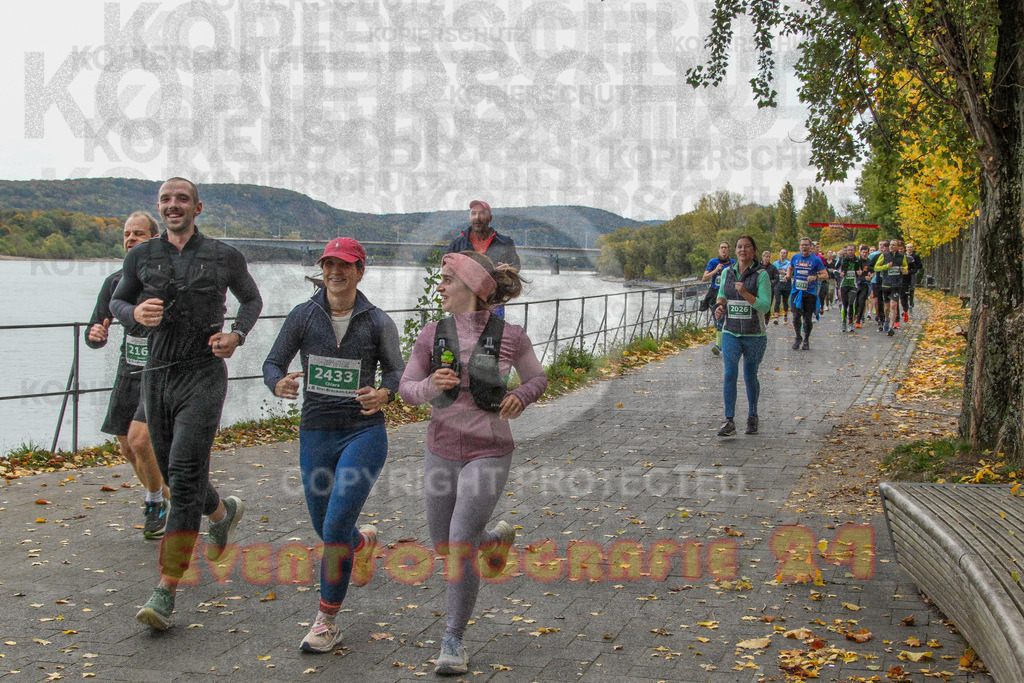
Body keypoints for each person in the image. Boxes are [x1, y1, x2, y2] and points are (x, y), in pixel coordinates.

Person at [111, 177, 263, 631]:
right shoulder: (141, 256)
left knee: (181, 474)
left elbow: (252, 299)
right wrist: (134, 314)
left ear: (197, 207)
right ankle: (221, 512)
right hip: (156, 377)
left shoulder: (223, 255)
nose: (173, 205)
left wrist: (237, 335)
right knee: (179, 473)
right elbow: (118, 300)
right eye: (166, 199)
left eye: (182, 199)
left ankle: (166, 589)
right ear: (159, 208)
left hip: (202, 375)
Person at [399, 251, 548, 675]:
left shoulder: (511, 336)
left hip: (490, 449)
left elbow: (538, 378)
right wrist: (429, 386)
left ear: (471, 287)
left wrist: (520, 396)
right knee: (444, 544)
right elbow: (406, 387)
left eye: (447, 279)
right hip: (441, 447)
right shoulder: (432, 334)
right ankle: (493, 541)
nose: (440, 286)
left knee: (460, 542)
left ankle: (453, 640)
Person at [262, 237, 405, 653]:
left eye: (344, 265)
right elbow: (273, 362)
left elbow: (397, 372)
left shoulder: (377, 321)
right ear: (321, 269)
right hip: (317, 431)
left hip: (363, 432)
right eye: (329, 264)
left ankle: (326, 621)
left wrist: (385, 393)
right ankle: (361, 544)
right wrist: (277, 382)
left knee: (336, 525)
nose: (335, 272)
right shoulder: (303, 315)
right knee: (324, 525)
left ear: (360, 271)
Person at [85, 211, 169, 538]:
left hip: (160, 373)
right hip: (128, 370)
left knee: (141, 440)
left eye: (138, 234)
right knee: (128, 447)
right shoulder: (114, 282)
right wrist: (95, 336)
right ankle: (182, 501)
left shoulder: (167, 280)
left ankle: (155, 505)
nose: (130, 239)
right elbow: (96, 328)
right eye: (126, 234)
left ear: (154, 240)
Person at [714, 236, 771, 436]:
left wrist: (746, 293)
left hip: (754, 334)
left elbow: (765, 306)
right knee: (730, 373)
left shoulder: (761, 275)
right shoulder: (727, 272)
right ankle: (729, 421)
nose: (742, 250)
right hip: (730, 332)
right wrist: (719, 307)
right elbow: (722, 295)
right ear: (735, 250)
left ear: (754, 251)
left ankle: (752, 416)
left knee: (750, 375)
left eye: (747, 247)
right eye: (739, 247)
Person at [787, 237, 827, 350]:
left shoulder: (816, 259)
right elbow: (790, 268)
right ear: (800, 246)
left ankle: (806, 340)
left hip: (810, 292)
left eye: (806, 245)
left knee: (807, 318)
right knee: (796, 316)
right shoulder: (795, 257)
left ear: (810, 247)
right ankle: (798, 337)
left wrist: (816, 277)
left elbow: (825, 275)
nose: (804, 247)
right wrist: (788, 275)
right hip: (797, 291)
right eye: (802, 245)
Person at [702, 241, 736, 355]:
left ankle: (722, 344)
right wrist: (716, 270)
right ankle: (719, 344)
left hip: (728, 293)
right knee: (718, 319)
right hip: (715, 293)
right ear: (719, 250)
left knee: (729, 318)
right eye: (721, 247)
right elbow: (704, 278)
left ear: (729, 250)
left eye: (725, 247)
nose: (723, 250)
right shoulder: (713, 262)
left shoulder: (734, 263)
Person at [874, 238, 909, 336]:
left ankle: (891, 327)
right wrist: (886, 266)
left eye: (894, 245)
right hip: (886, 284)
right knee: (887, 307)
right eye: (890, 245)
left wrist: (903, 269)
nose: (891, 247)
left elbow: (906, 268)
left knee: (894, 305)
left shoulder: (902, 256)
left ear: (898, 247)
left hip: (897, 284)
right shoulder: (884, 255)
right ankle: (887, 319)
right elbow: (876, 267)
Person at [835, 244, 861, 333]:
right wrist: (840, 274)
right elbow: (834, 269)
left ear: (855, 251)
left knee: (851, 303)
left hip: (853, 284)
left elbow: (861, 270)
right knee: (845, 304)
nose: (850, 251)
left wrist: (860, 273)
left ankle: (851, 322)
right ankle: (843, 322)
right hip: (844, 284)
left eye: (852, 250)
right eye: (848, 250)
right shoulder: (842, 260)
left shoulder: (858, 260)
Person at [854, 244, 873, 329]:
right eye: (863, 252)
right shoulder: (856, 261)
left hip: (865, 284)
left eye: (866, 252)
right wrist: (857, 272)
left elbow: (873, 271)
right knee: (856, 301)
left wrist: (870, 277)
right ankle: (855, 314)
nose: (864, 254)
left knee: (862, 301)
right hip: (856, 283)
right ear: (860, 252)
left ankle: (858, 321)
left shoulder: (869, 261)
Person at [772, 248, 792, 324]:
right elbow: (772, 273)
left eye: (784, 253)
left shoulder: (789, 263)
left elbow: (792, 274)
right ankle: (776, 318)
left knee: (785, 301)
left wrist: (785, 273)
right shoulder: (775, 263)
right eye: (781, 252)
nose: (782, 254)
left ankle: (785, 315)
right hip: (777, 285)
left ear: (786, 255)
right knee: (777, 301)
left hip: (786, 286)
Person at [905, 242, 925, 315]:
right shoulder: (904, 256)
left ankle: (911, 302)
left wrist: (914, 269)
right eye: (908, 247)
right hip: (905, 274)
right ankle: (905, 302)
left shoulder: (916, 256)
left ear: (913, 248)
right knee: (905, 288)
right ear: (906, 248)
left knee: (912, 288)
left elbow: (920, 265)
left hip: (912, 273)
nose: (909, 249)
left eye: (911, 247)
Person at [760, 250, 779, 325]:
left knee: (767, 306)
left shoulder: (773, 268)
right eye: (766, 257)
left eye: (769, 257)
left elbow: (777, 279)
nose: (767, 258)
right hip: (759, 289)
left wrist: (771, 283)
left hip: (769, 290)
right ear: (762, 257)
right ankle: (759, 321)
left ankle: (766, 323)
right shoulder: (758, 266)